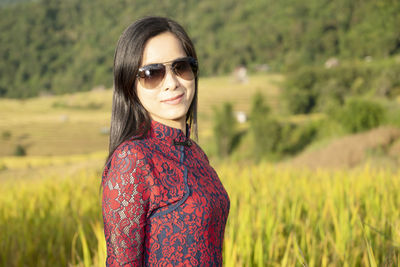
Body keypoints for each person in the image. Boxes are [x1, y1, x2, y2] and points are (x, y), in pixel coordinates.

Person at [101, 16, 230, 266]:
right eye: (152, 73)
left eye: (180, 67)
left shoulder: (195, 153)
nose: (172, 83)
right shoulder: (132, 159)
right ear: (130, 85)